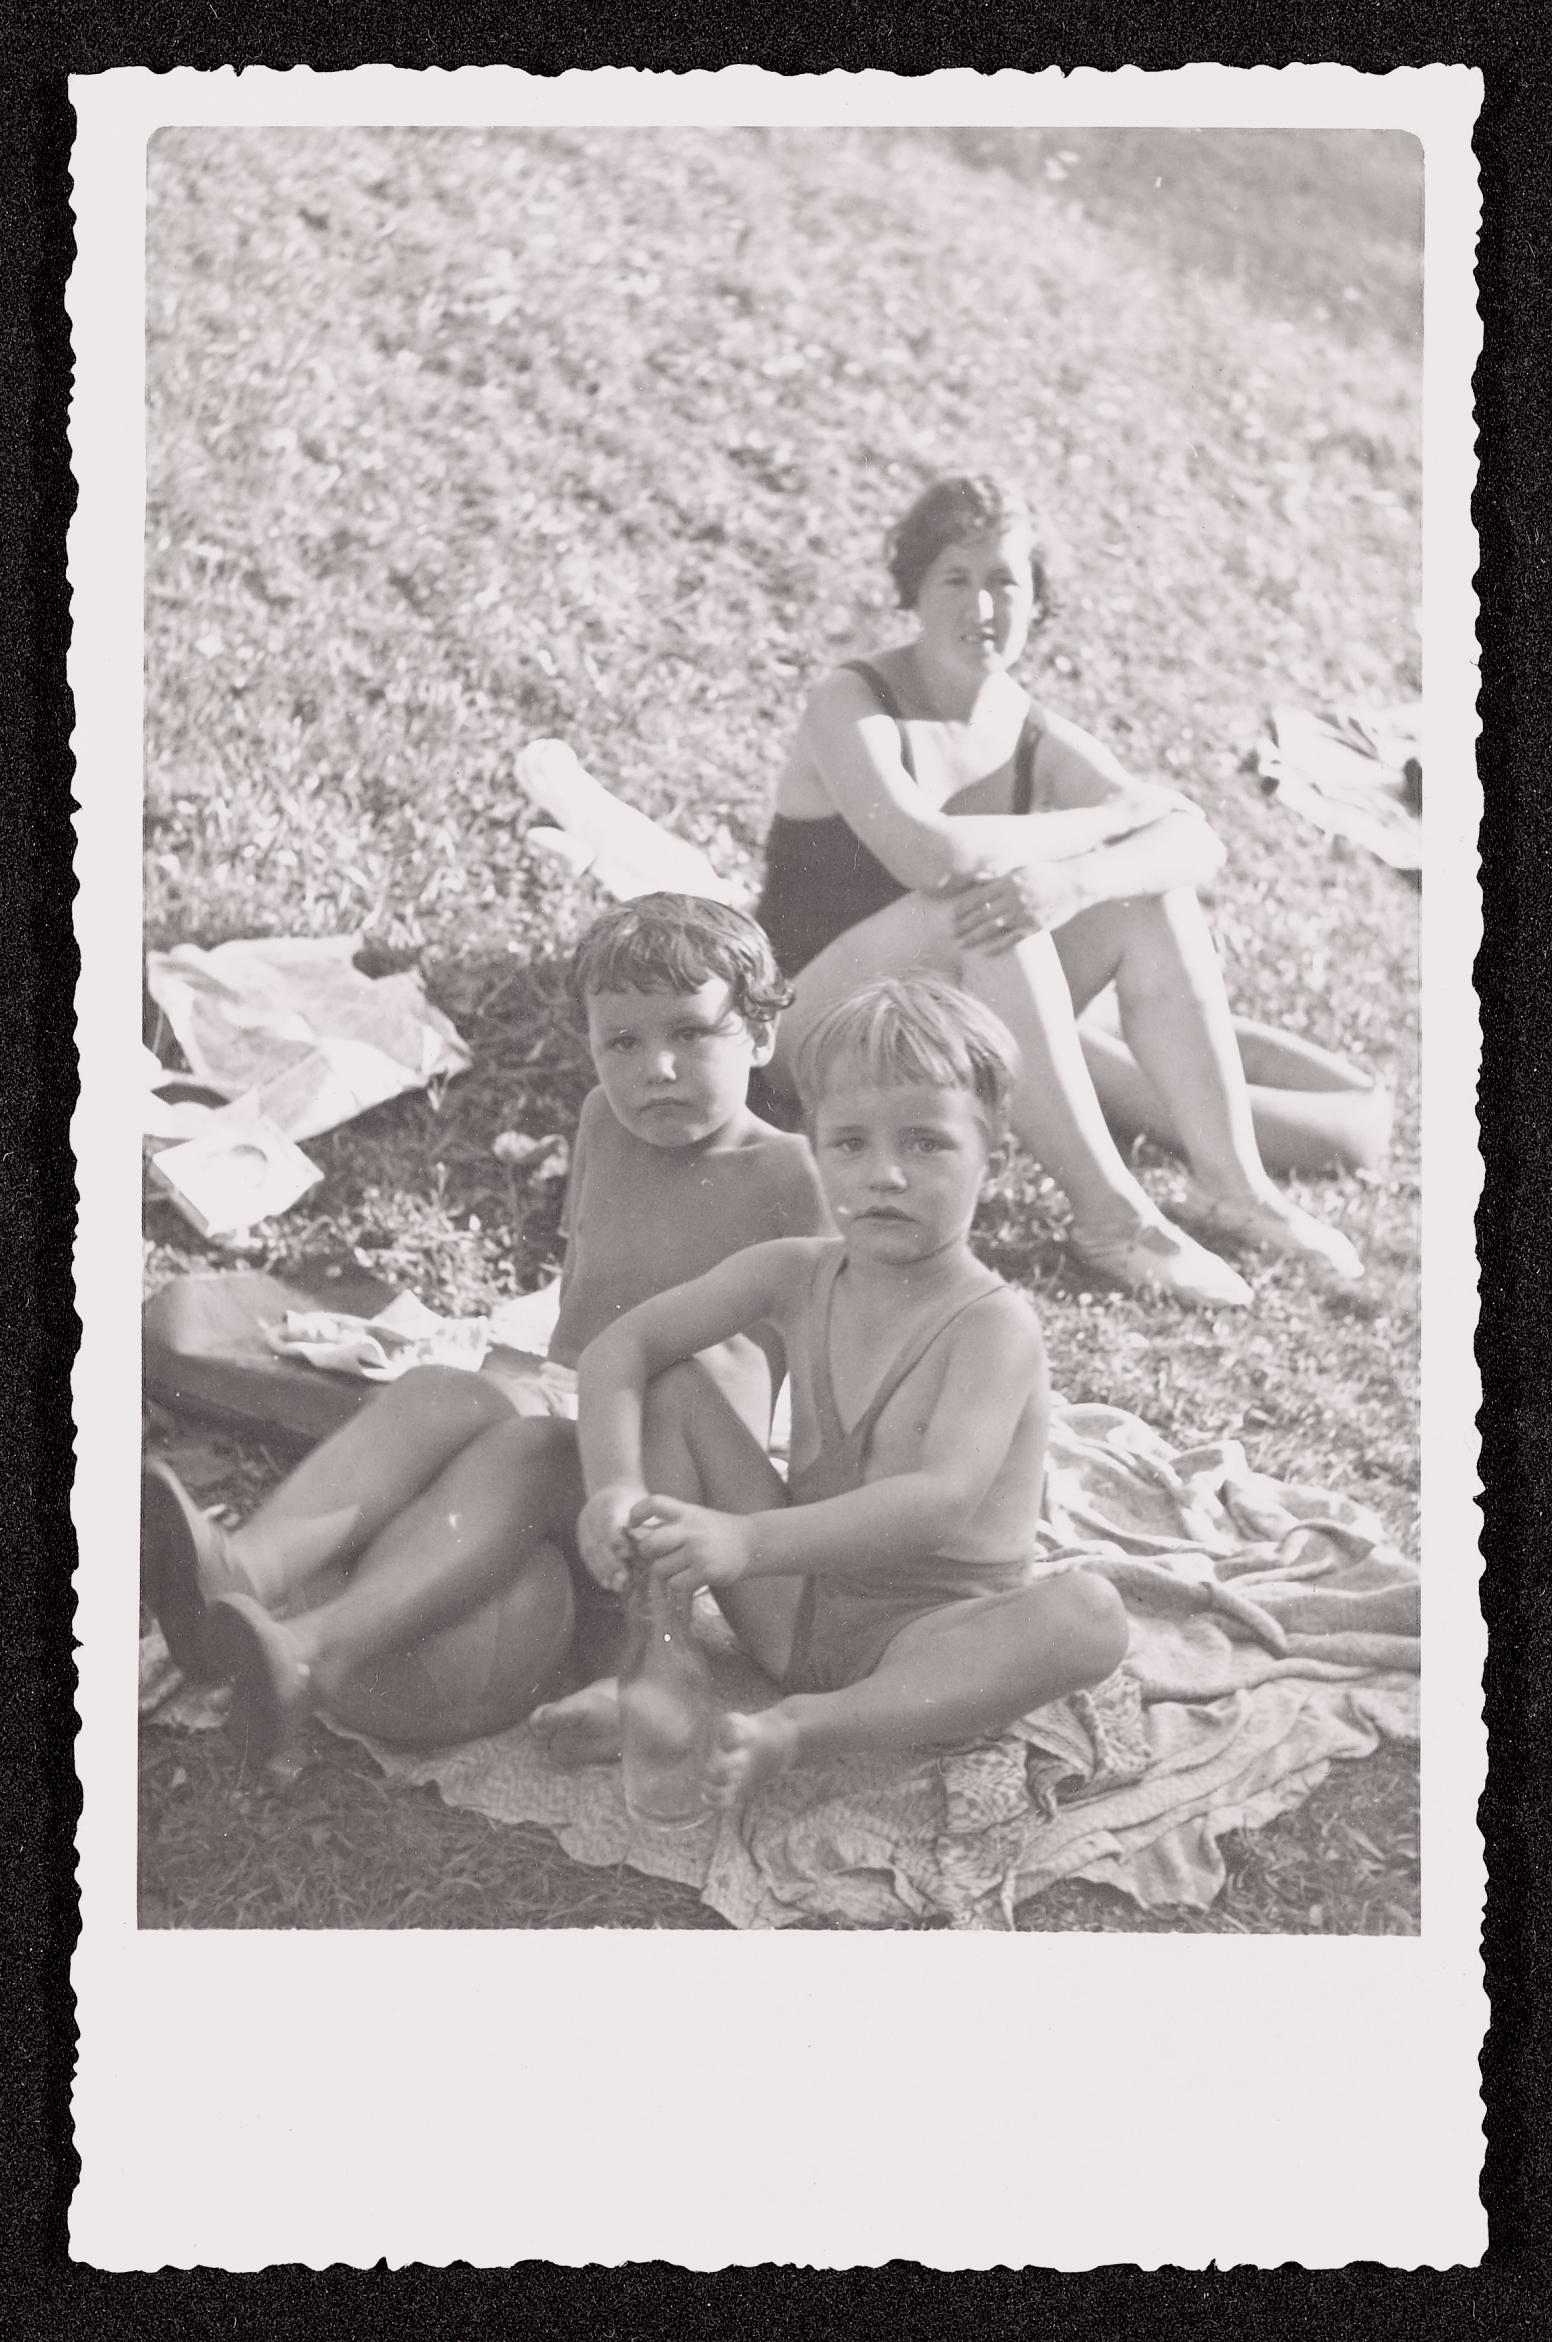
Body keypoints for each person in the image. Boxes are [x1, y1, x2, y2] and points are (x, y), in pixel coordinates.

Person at [140, 895, 829, 1765]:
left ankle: (311, 1654)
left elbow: (830, 1372)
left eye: (690, 1033)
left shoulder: (790, 1177)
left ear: (761, 1035)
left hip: (666, 1473)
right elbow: (584, 1313)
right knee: (442, 1393)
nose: (655, 1068)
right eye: (621, 1041)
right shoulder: (604, 1124)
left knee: (526, 1448)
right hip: (577, 1414)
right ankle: (240, 1573)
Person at [753, 473, 1364, 1308]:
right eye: (956, 578)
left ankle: (1234, 1187)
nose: (982, 606)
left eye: (1006, 581)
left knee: (1141, 898)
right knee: (976, 908)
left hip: (927, 1031)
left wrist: (1077, 881)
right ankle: (1111, 1219)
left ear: (1038, 599)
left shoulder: (1027, 727)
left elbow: (1192, 838)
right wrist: (1100, 826)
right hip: (806, 1031)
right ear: (915, 591)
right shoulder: (853, 699)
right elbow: (933, 855)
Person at [534, 974, 1128, 1804]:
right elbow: (619, 1349)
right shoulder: (794, 1274)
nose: (884, 1174)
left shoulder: (993, 1327)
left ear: (990, 1157)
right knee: (678, 1389)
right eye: (850, 1144)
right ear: (814, 1151)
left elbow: (938, 1501)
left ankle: (799, 1731)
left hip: (926, 1640)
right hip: (792, 1611)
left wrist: (747, 1539)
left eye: (925, 1144)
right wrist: (616, 1487)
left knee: (1089, 1615)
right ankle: (659, 1671)